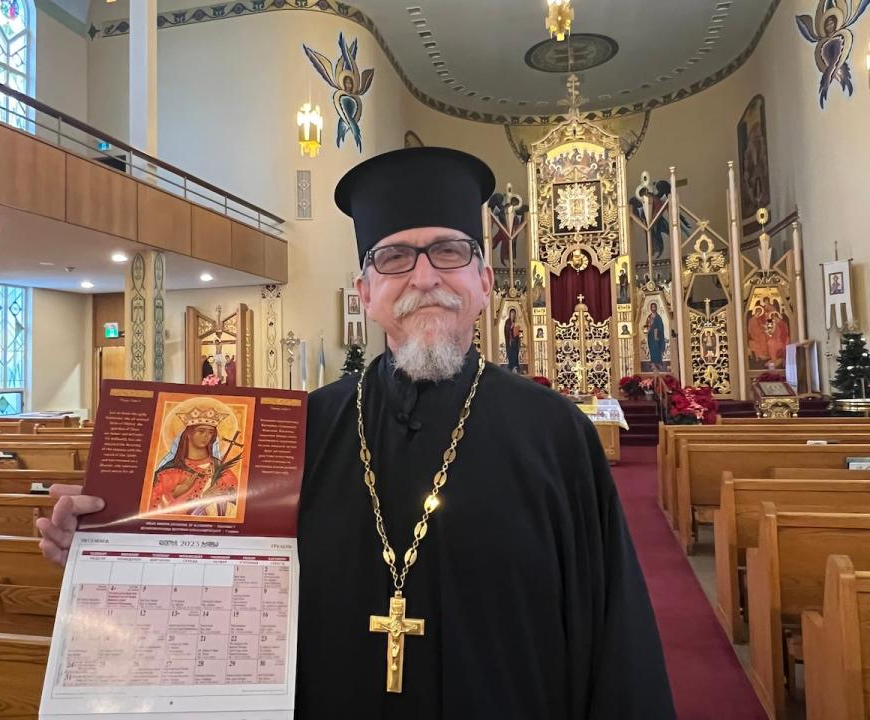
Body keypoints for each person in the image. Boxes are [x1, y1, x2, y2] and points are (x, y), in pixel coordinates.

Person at [37, 147, 674, 719]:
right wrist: (104, 546)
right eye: (395, 257)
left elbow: (616, 642)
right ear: (366, 291)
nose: (424, 278)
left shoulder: (557, 437)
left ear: (484, 281)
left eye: (450, 251)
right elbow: (205, 564)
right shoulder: (298, 432)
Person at [149, 409, 239, 517]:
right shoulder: (167, 473)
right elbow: (153, 511)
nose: (206, 436)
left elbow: (237, 505)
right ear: (188, 434)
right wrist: (175, 494)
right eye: (201, 431)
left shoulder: (223, 471)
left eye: (210, 433)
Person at [644, 301, 667, 372]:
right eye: (652, 307)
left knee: (656, 349)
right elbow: (646, 326)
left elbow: (660, 327)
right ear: (650, 308)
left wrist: (657, 333)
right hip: (650, 336)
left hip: (657, 336)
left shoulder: (658, 317)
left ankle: (658, 363)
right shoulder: (649, 316)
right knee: (652, 349)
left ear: (656, 308)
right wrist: (647, 327)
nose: (653, 308)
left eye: (654, 307)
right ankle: (653, 362)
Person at [503, 307, 522, 372]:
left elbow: (519, 330)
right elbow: (507, 331)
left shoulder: (515, 321)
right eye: (512, 313)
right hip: (510, 341)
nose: (513, 315)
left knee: (515, 353)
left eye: (514, 313)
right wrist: (511, 328)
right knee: (511, 354)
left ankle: (516, 367)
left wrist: (518, 331)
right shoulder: (507, 321)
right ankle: (511, 367)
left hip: (515, 340)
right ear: (509, 314)